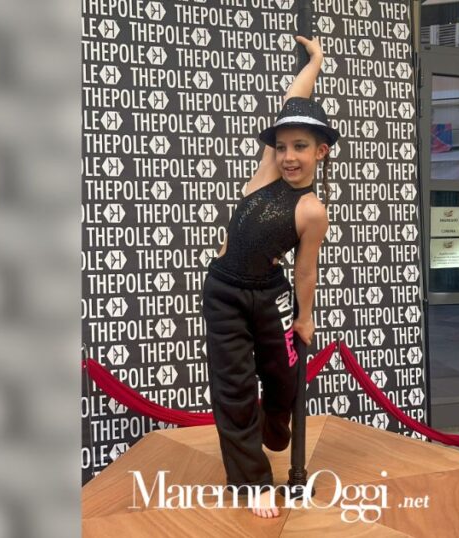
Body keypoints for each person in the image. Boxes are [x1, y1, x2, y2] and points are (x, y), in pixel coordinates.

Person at [200, 35, 339, 519]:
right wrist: (315, 61)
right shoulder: (265, 176)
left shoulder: (312, 210)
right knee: (235, 387)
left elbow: (305, 270)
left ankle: (275, 422)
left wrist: (305, 318)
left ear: (321, 151)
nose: (288, 156)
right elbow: (291, 100)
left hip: (268, 296)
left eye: (300, 147)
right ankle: (253, 481)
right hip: (224, 293)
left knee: (282, 378)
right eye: (281, 147)